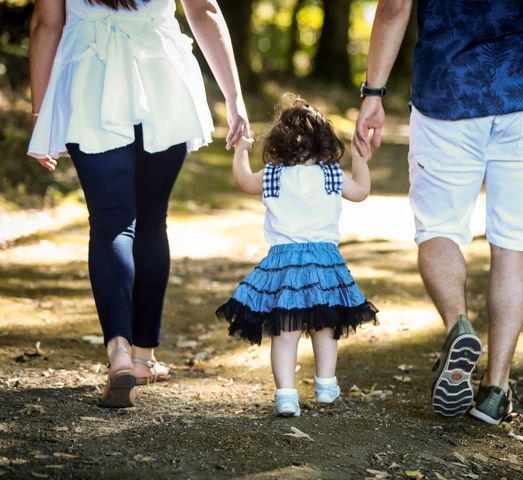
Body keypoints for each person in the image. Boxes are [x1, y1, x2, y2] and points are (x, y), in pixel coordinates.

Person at [354, 0, 523, 424]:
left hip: (446, 93)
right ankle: (496, 387)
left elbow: (395, 6)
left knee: (438, 229)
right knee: (513, 245)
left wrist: (374, 93)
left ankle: (458, 326)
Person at [28, 0, 250, 408]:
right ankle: (145, 355)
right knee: (150, 222)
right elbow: (205, 11)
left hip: (89, 75)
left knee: (111, 222)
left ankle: (119, 352)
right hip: (160, 75)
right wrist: (234, 99)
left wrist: (41, 109)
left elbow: (46, 24)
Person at [216, 96, 378, 417]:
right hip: (323, 264)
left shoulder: (273, 175)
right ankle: (326, 383)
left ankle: (286, 395)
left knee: (285, 333)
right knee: (325, 327)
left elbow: (243, 181)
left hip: (284, 265)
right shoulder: (332, 175)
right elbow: (361, 190)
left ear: (279, 141)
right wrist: (360, 156)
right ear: (325, 140)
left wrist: (241, 150)